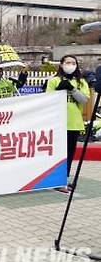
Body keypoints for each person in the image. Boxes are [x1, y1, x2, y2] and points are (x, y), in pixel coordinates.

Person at [46, 55, 90, 192]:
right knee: (56, 153)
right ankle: (54, 179)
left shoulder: (81, 82)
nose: (70, 65)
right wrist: (58, 91)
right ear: (61, 64)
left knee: (69, 153)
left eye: (73, 63)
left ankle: (63, 179)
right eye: (67, 62)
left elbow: (84, 100)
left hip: (73, 123)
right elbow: (47, 100)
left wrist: (72, 89)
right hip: (57, 122)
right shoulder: (54, 80)